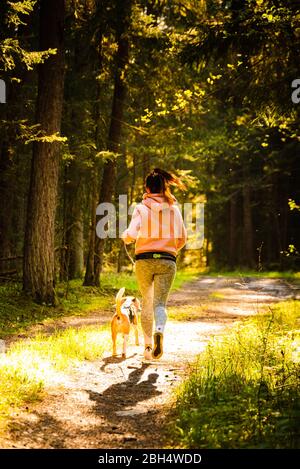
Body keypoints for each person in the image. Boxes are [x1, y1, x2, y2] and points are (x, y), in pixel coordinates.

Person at [121, 168, 187, 360]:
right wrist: (169, 249)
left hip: (144, 260)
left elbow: (131, 235)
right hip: (167, 261)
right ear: (164, 186)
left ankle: (148, 348)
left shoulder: (141, 208)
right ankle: (160, 330)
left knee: (147, 303)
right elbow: (182, 238)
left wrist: (126, 237)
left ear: (147, 188)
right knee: (159, 304)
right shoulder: (174, 209)